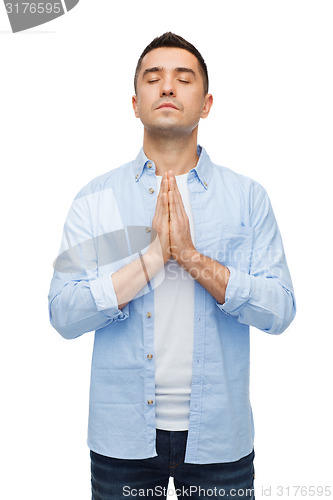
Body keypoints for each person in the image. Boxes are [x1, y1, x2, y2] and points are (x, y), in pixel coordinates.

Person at [48, 32, 296, 500]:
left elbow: (280, 310)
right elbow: (63, 312)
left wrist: (192, 258)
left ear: (205, 104)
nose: (167, 88)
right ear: (135, 102)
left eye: (183, 79)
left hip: (219, 437)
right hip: (121, 436)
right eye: (153, 78)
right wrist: (153, 259)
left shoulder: (247, 198)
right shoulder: (95, 199)